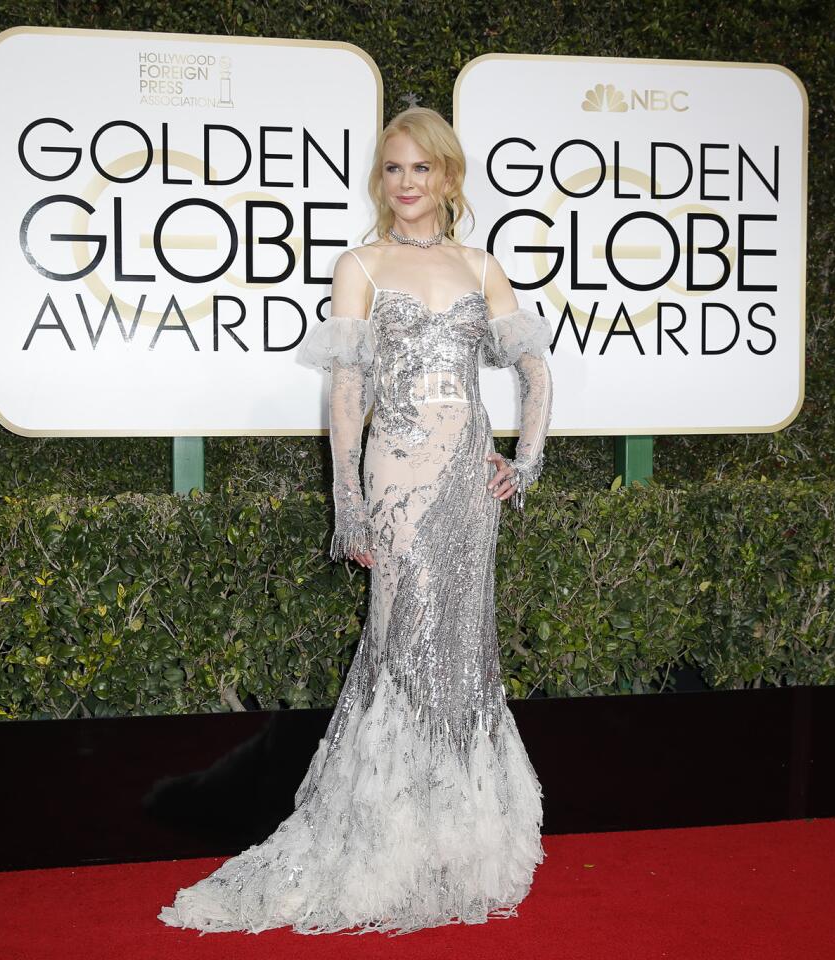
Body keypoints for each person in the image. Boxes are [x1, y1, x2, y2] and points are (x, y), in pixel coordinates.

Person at [158, 106, 554, 936]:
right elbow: (346, 393)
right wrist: (350, 498)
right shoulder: (360, 266)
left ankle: (457, 848)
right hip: (400, 479)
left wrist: (526, 461)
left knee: (463, 650)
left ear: (448, 176)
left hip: (466, 488)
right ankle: (385, 842)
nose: (405, 185)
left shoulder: (483, 266)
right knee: (402, 645)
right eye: (392, 170)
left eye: (420, 169)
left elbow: (532, 369)